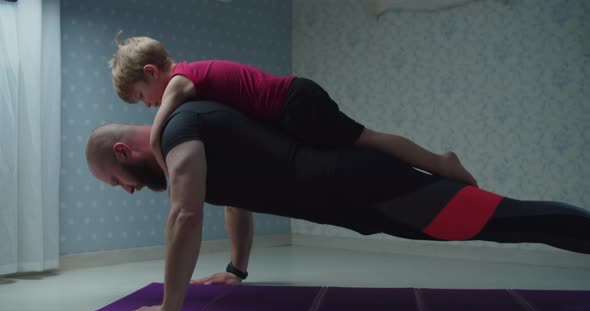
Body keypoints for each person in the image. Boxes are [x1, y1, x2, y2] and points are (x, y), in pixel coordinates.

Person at [86, 100, 589, 311]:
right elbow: (234, 198)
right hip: (355, 199)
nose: (127, 192)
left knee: (509, 221)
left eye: (116, 182)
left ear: (125, 155)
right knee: (508, 221)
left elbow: (185, 216)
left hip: (364, 185)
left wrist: (170, 309)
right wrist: (237, 270)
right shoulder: (190, 134)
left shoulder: (178, 130)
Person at [108, 34, 477, 186]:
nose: (149, 104)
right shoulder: (189, 77)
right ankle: (434, 166)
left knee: (367, 141)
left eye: (143, 95)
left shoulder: (179, 82)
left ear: (152, 73)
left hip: (296, 103)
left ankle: (441, 164)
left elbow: (157, 133)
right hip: (293, 104)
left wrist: (164, 165)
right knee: (360, 146)